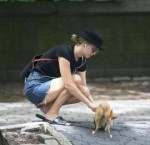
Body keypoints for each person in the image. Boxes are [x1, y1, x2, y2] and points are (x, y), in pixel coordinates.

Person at [24, 29, 104, 125]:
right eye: (94, 49)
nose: (94, 53)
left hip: (49, 90)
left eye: (97, 51)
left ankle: (50, 108)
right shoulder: (64, 52)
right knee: (75, 80)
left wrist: (96, 110)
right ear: (85, 44)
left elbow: (84, 88)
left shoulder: (82, 61)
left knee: (84, 91)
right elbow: (68, 85)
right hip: (34, 88)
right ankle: (52, 114)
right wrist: (90, 105)